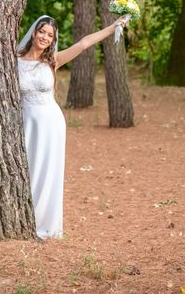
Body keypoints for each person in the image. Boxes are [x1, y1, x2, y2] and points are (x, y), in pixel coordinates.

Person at [17, 15, 124, 238]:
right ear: (33, 32)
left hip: (51, 124)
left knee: (46, 172)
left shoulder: (52, 61)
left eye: (50, 35)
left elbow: (84, 43)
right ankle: (20, 217)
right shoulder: (14, 59)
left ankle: (43, 223)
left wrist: (113, 27)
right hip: (26, 122)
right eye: (42, 32)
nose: (45, 37)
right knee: (25, 169)